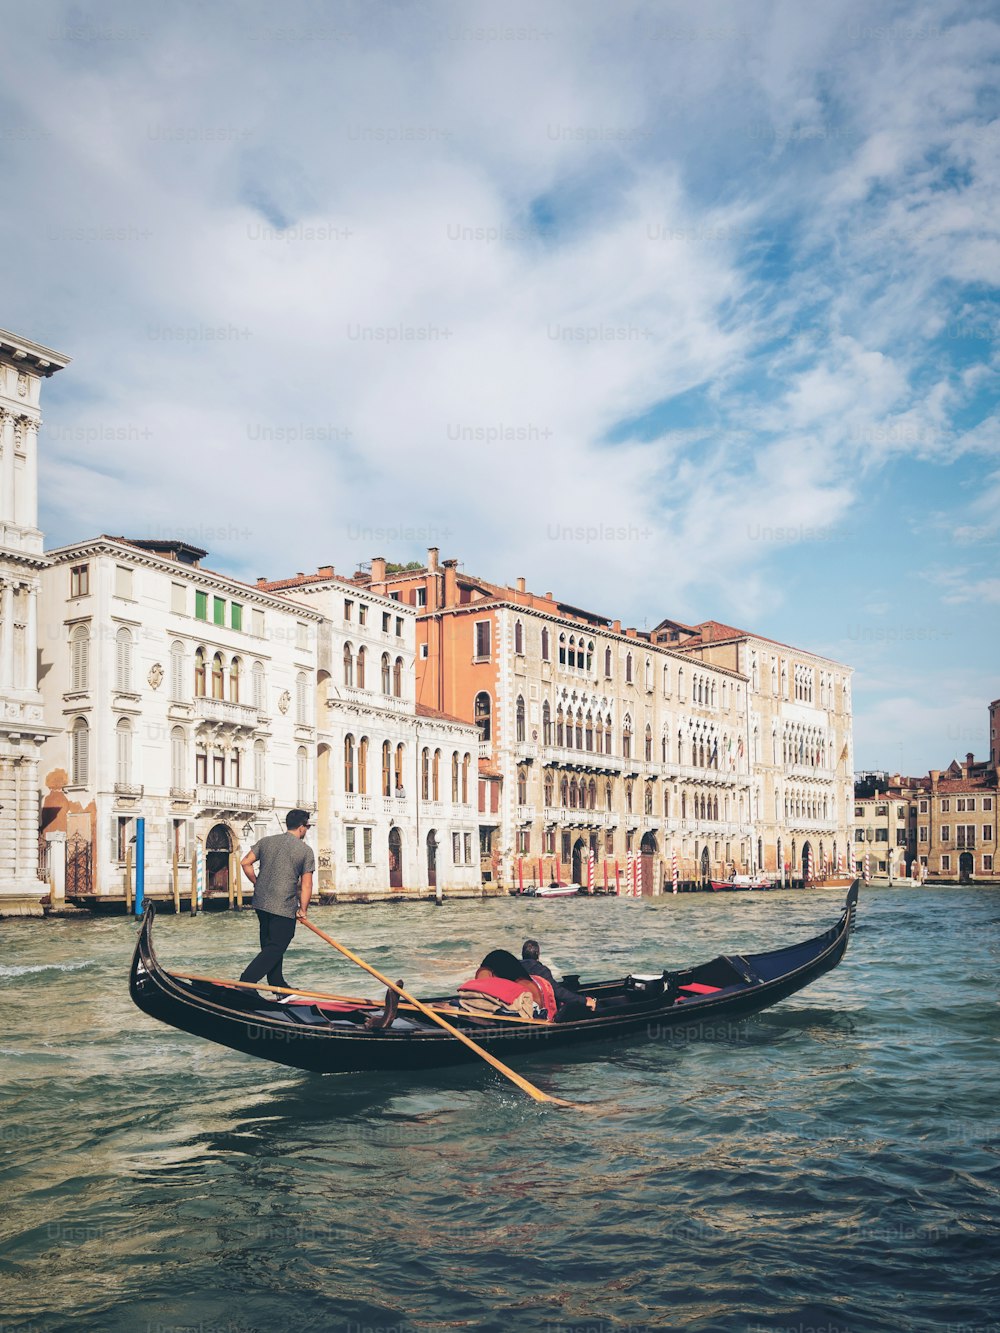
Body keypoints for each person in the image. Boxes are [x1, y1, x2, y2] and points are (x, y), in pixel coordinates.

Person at [239, 809, 315, 992]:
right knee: (277, 945)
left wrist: (257, 883)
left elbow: (245, 863)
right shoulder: (305, 851)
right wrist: (303, 910)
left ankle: (277, 982)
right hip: (283, 904)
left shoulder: (266, 842)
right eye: (308, 826)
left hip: (261, 902)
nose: (307, 830)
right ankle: (246, 982)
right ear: (302, 827)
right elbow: (306, 885)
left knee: (270, 944)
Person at [521, 939, 597, 1019]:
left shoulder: (515, 969)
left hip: (522, 1010)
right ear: (537, 954)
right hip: (542, 1015)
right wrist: (584, 1001)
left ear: (522, 954)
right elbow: (558, 993)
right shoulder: (541, 971)